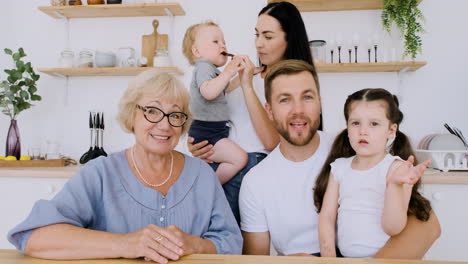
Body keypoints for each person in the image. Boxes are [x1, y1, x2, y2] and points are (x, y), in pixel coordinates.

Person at [7, 70, 242, 263]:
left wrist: (195, 244)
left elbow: (232, 243)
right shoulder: (100, 173)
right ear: (132, 115)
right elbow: (36, 237)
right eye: (152, 111)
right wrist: (126, 243)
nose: (164, 125)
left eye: (175, 115)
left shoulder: (202, 175)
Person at [239, 59, 440, 258]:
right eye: (285, 99)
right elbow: (256, 259)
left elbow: (427, 223)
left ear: (319, 103)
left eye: (307, 97)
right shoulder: (256, 182)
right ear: (270, 110)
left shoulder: (357, 148)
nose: (298, 110)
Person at [188, 1, 320, 224]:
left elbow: (271, 142)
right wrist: (198, 144)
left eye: (268, 37)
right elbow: (214, 113)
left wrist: (247, 85)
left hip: (254, 168)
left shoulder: (292, 84)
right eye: (257, 34)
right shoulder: (246, 75)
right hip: (223, 165)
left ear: (289, 39)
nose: (259, 44)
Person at [315, 88, 433, 258]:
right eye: (355, 123)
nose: (363, 131)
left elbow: (393, 227)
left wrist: (394, 185)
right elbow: (327, 217)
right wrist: (329, 259)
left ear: (391, 131)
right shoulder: (339, 168)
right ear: (347, 127)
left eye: (374, 124)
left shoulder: (397, 169)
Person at [182, 21, 248, 184]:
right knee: (240, 158)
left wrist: (244, 75)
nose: (223, 45)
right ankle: (211, 186)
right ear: (197, 51)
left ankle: (208, 183)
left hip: (212, 130)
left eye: (224, 41)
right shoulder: (204, 68)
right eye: (216, 41)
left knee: (236, 158)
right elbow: (209, 92)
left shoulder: (213, 71)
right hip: (207, 131)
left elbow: (225, 88)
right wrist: (229, 71)